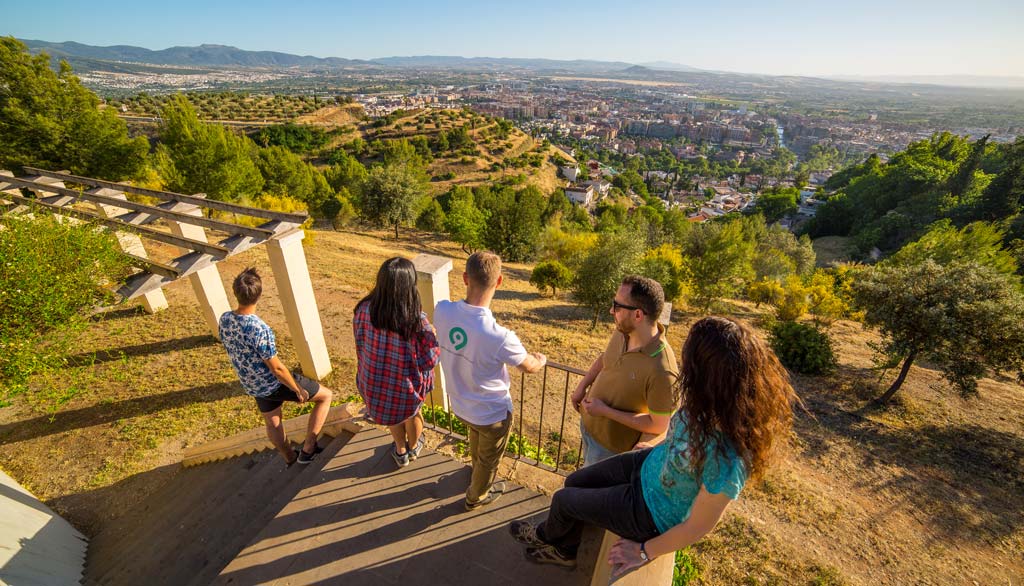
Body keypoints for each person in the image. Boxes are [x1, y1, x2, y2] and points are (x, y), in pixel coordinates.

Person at [509, 317, 798, 575]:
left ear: (709, 375)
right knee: (574, 481)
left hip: (649, 512)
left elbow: (699, 526)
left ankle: (551, 541)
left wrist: (645, 550)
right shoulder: (709, 406)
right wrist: (650, 444)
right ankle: (569, 543)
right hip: (647, 464)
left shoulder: (728, 458)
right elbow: (674, 432)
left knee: (564, 500)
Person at [433, 251, 547, 511]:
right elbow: (529, 366)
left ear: (465, 278)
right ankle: (476, 496)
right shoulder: (500, 337)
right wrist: (541, 359)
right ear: (499, 282)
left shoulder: (443, 311)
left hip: (460, 405)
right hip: (492, 413)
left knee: (475, 438)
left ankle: (476, 473)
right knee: (488, 461)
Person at [219, 267, 334, 466]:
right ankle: (308, 449)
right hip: (273, 383)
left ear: (235, 292)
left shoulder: (225, 319)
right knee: (325, 397)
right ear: (259, 295)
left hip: (252, 385)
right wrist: (297, 388)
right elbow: (277, 368)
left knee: (273, 422)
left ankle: (290, 457)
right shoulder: (259, 328)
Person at [571, 275, 678, 467]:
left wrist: (605, 411)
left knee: (588, 493)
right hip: (588, 426)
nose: (612, 311)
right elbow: (607, 358)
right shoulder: (623, 330)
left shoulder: (663, 370)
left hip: (609, 450)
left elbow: (659, 424)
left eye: (617, 306)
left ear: (638, 315)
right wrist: (582, 385)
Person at [353, 257, 441, 468]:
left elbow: (360, 341)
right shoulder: (415, 320)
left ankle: (400, 451)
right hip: (406, 388)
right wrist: (433, 336)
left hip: (374, 382)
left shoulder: (364, 308)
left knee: (393, 418)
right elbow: (430, 360)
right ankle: (413, 446)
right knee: (413, 415)